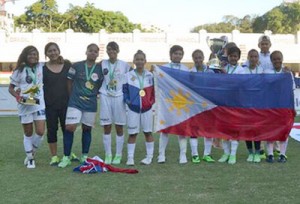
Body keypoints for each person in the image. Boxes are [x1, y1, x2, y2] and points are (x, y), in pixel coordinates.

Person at [58, 43, 103, 168]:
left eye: (95, 51)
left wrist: (93, 94)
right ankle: (66, 156)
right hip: (75, 102)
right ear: (86, 52)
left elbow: (99, 85)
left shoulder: (100, 68)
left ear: (98, 54)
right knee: (70, 127)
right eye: (90, 51)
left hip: (91, 103)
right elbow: (69, 80)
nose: (93, 53)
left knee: (87, 129)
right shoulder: (76, 65)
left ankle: (84, 156)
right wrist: (71, 95)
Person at [8, 45, 45, 169]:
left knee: (40, 132)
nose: (33, 56)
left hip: (38, 103)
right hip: (25, 103)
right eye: (30, 54)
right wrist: (17, 97)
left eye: (35, 54)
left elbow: (53, 63)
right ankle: (30, 159)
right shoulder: (19, 70)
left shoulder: (40, 66)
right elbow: (11, 88)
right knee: (28, 132)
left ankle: (31, 153)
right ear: (25, 55)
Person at [157, 45, 191, 164]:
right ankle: (161, 155)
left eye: (180, 53)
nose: (178, 55)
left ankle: (183, 155)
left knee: (181, 130)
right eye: (175, 53)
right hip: (167, 103)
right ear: (170, 54)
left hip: (181, 103)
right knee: (165, 129)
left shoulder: (186, 69)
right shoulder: (163, 68)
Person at [43, 42, 75, 166]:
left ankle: (68, 153)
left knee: (67, 130)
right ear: (46, 54)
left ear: (59, 51)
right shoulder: (43, 69)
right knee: (52, 130)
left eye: (55, 50)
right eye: (50, 51)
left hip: (66, 104)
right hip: (50, 105)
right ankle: (54, 156)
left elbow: (76, 78)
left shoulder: (67, 64)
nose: (53, 53)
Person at [99, 41, 131, 164]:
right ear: (107, 51)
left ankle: (118, 154)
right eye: (109, 49)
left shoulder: (125, 65)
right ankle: (108, 155)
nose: (111, 52)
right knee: (106, 126)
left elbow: (133, 75)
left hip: (119, 96)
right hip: (105, 95)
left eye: (114, 49)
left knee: (119, 126)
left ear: (117, 51)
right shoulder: (102, 64)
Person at [123, 50, 155, 166]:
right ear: (134, 61)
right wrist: (128, 101)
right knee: (132, 133)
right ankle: (130, 158)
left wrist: (151, 102)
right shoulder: (128, 76)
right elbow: (125, 91)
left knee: (148, 132)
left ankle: (149, 157)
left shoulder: (150, 76)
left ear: (145, 61)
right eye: (137, 59)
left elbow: (154, 92)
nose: (140, 61)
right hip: (133, 109)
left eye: (142, 59)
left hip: (147, 108)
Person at [263, 50, 294, 163]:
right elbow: (266, 84)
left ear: (282, 59)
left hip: (283, 105)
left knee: (283, 130)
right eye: (274, 59)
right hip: (271, 106)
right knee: (270, 130)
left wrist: (287, 74)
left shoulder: (287, 73)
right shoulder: (267, 72)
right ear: (271, 61)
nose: (277, 61)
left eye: (278, 58)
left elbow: (292, 86)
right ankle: (270, 154)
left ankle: (282, 154)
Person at [218, 46, 244, 165]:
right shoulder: (223, 67)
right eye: (231, 56)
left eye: (235, 56)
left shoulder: (241, 70)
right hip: (224, 102)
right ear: (227, 56)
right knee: (224, 129)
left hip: (236, 102)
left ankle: (233, 154)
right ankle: (226, 153)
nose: (233, 58)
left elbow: (238, 83)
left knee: (234, 129)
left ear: (238, 57)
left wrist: (226, 75)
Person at [191, 49, 215, 163]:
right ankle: (194, 154)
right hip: (195, 104)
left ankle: (207, 154)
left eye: (200, 57)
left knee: (208, 129)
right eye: (196, 58)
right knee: (194, 129)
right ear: (193, 59)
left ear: (203, 58)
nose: (198, 60)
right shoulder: (190, 72)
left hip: (208, 103)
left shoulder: (210, 72)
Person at [241, 49, 264, 163]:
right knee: (248, 128)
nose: (254, 59)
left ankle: (257, 152)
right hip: (246, 103)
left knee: (257, 129)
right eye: (251, 56)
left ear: (258, 58)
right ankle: (250, 152)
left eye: (256, 56)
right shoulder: (243, 70)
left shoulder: (261, 70)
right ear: (248, 58)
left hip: (258, 103)